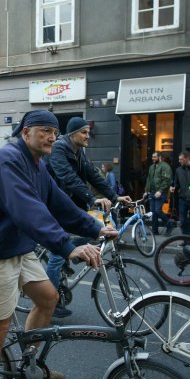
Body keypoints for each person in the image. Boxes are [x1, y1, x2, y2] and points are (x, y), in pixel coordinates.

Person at [0, 109, 117, 379]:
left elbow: (58, 203)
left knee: (49, 298)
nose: (51, 137)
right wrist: (66, 246)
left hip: (17, 247)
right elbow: (27, 210)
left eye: (54, 132)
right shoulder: (7, 161)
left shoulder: (37, 166)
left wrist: (96, 228)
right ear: (26, 132)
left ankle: (30, 364)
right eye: (45, 130)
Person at [44, 117, 128, 316]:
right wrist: (92, 198)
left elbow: (93, 175)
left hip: (71, 205)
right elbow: (67, 177)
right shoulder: (59, 149)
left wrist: (115, 196)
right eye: (84, 132)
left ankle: (71, 254)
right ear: (72, 134)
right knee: (57, 255)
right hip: (55, 206)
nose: (87, 135)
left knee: (95, 232)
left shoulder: (79, 151)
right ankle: (50, 302)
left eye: (88, 132)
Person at [144, 151, 174, 236]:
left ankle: (169, 223)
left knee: (157, 211)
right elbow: (149, 179)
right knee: (153, 212)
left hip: (161, 192)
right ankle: (154, 231)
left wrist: (160, 191)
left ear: (159, 157)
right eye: (152, 157)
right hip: (152, 192)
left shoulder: (165, 166)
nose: (153, 158)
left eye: (154, 157)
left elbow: (167, 180)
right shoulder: (151, 167)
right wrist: (146, 191)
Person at [170, 150, 190, 235]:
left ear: (187, 158)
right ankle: (186, 239)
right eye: (179, 159)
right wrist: (173, 187)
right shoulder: (178, 170)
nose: (179, 161)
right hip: (183, 198)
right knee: (183, 220)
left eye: (181, 159)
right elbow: (176, 183)